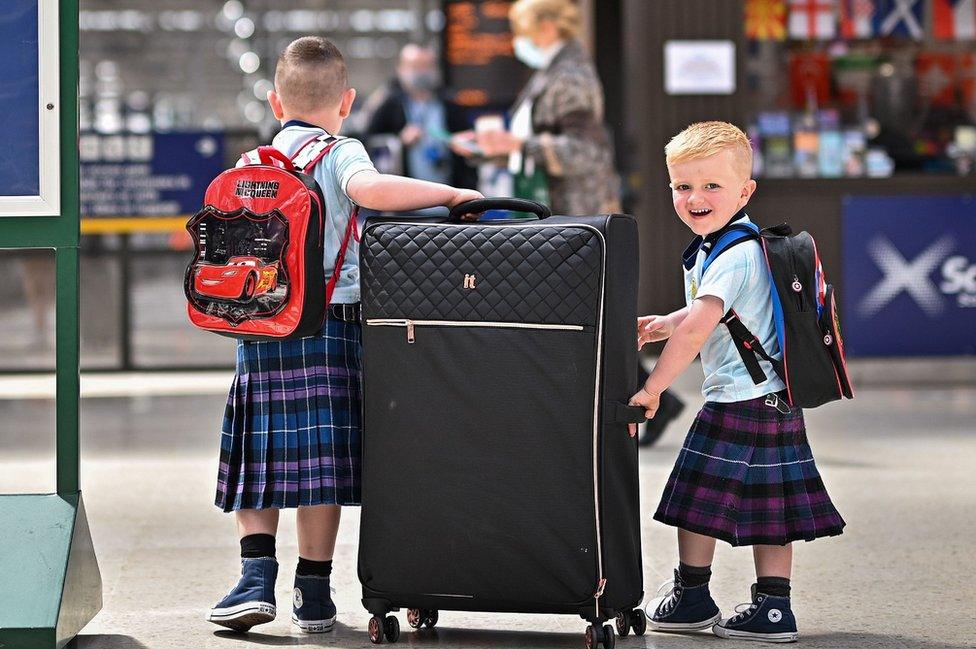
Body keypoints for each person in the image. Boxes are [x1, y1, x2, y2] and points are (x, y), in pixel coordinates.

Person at [206, 36, 482, 634]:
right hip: (330, 324)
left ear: (277, 103)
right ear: (348, 100)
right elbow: (373, 192)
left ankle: (254, 579)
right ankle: (314, 589)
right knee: (319, 459)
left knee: (265, 452)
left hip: (261, 324)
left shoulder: (256, 162)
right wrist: (453, 193)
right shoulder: (339, 151)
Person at [628, 122, 845, 643]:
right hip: (771, 399)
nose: (695, 198)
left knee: (695, 500)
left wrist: (654, 387)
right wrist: (666, 322)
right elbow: (717, 311)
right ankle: (774, 607)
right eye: (682, 186)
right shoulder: (728, 246)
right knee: (772, 508)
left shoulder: (731, 252)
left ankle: (692, 595)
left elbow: (703, 325)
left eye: (711, 186)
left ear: (745, 191)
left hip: (738, 400)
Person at [456, 0, 684, 443]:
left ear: (544, 27)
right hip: (562, 211)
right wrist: (500, 147)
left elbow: (585, 151)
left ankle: (639, 402)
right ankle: (646, 402)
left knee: (589, 308)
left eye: (521, 29)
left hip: (577, 214)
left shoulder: (571, 76)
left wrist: (516, 143)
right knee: (588, 308)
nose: (516, 41)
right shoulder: (556, 70)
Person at [365, 44, 477, 191]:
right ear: (400, 69)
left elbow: (470, 146)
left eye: (428, 66)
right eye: (415, 66)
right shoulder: (388, 104)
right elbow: (367, 142)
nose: (422, 72)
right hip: (403, 204)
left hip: (449, 203)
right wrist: (399, 141)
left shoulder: (450, 105)